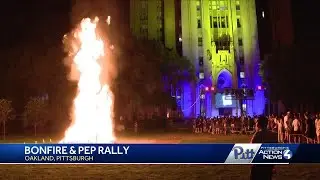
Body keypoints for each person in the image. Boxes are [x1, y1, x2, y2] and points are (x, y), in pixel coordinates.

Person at [250, 116, 278, 180]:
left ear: (258, 124)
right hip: (268, 166)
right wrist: (273, 166)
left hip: (258, 166)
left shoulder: (257, 135)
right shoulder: (273, 135)